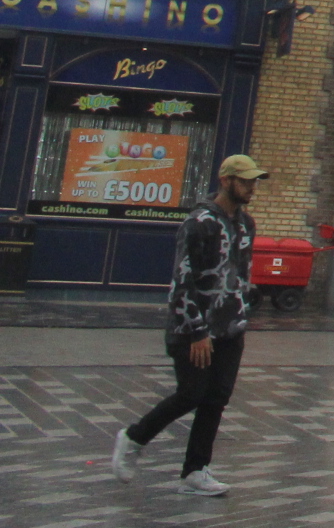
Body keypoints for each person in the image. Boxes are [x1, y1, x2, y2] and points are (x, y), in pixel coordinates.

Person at [112, 153, 264, 496]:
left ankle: (195, 471)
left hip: (230, 328)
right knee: (191, 394)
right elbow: (182, 281)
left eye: (255, 181)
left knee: (217, 398)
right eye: (246, 181)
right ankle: (133, 438)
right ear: (226, 181)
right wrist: (196, 330)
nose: (252, 188)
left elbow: (238, 270)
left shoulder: (246, 223)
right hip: (193, 330)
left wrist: (246, 298)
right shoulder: (199, 223)